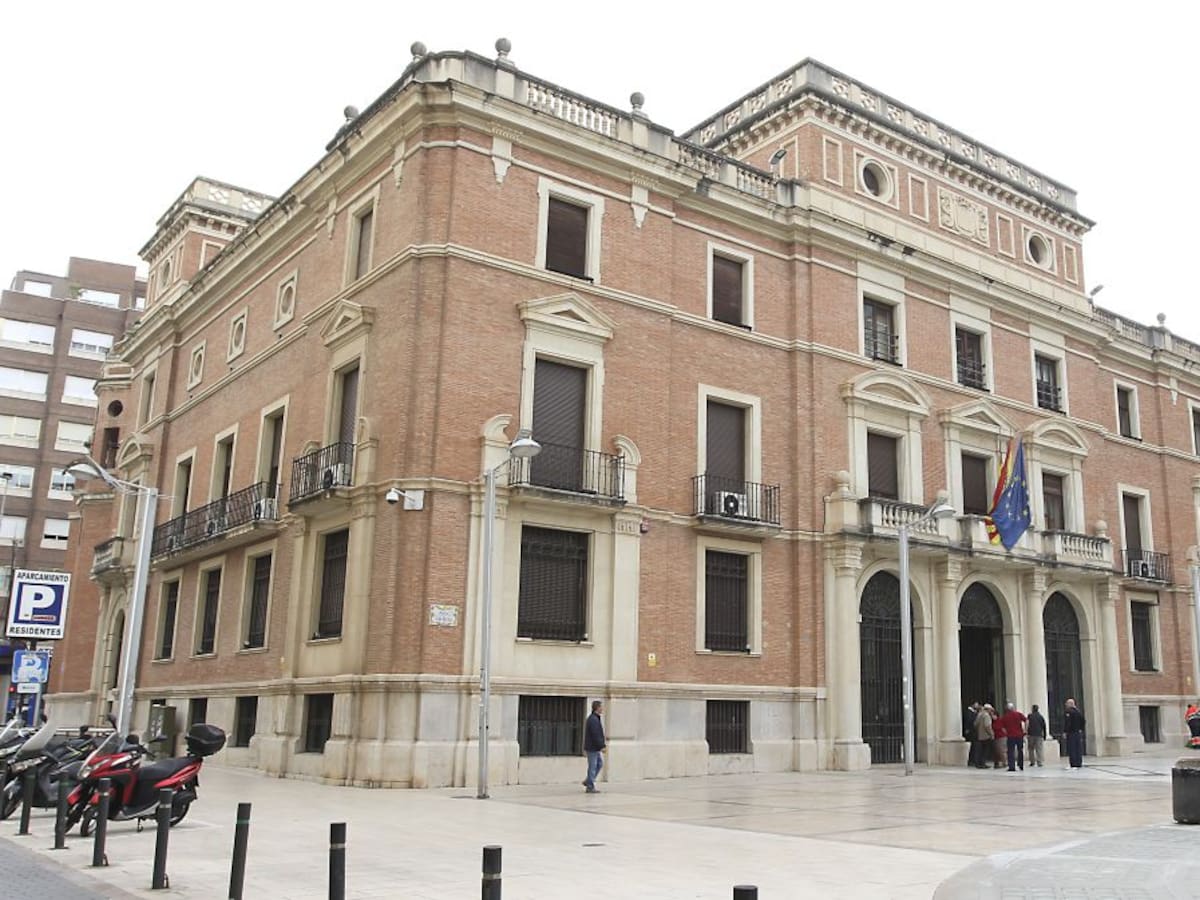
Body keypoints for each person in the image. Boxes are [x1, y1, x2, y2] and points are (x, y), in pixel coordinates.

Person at [582, 699, 606, 793]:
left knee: (599, 764)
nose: (602, 708)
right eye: (601, 707)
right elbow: (596, 734)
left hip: (594, 747)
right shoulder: (593, 719)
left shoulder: (595, 718)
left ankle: (589, 780)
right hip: (592, 747)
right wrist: (601, 746)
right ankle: (590, 786)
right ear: (597, 708)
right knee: (593, 766)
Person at [1000, 702, 1027, 771]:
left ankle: (1012, 766)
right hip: (1019, 735)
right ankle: (1021, 765)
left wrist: (1006, 732)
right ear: (1013, 708)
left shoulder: (1005, 716)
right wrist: (1025, 730)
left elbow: (1002, 727)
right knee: (1020, 750)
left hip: (1010, 736)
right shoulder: (1018, 714)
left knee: (1010, 751)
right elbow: (1026, 720)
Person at [1064, 698, 1085, 768]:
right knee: (1078, 748)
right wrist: (1081, 729)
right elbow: (1083, 721)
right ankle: (1079, 762)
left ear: (1070, 704)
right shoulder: (1078, 712)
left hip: (1071, 732)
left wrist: (1065, 731)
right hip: (1078, 732)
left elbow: (1068, 723)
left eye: (1067, 703)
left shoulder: (1069, 712)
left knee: (1072, 748)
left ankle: (1073, 763)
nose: (1066, 704)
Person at [973, 703, 994, 769]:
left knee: (979, 751)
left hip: (979, 735)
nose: (991, 711)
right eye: (990, 710)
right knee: (985, 751)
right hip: (985, 736)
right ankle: (983, 763)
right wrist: (991, 734)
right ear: (988, 709)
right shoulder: (986, 715)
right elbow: (987, 726)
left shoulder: (979, 714)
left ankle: (978, 763)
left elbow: (975, 724)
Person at [964, 702, 981, 767]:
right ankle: (973, 761)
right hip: (972, 732)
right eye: (976, 704)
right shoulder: (969, 712)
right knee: (974, 747)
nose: (977, 706)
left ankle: (973, 760)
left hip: (972, 732)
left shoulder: (973, 712)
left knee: (974, 747)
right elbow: (969, 721)